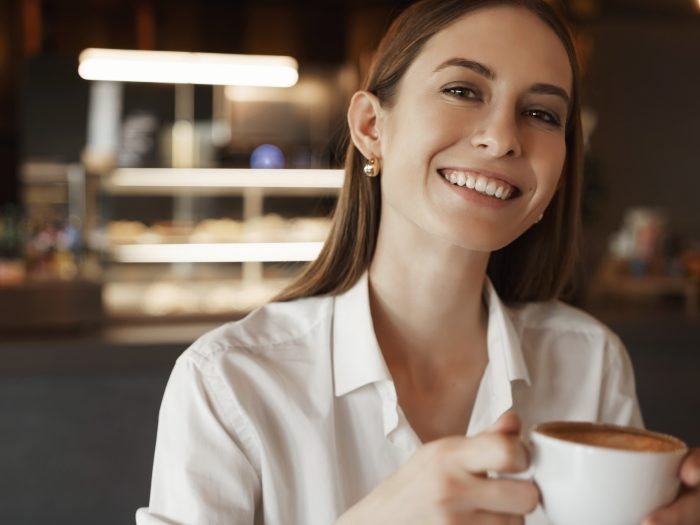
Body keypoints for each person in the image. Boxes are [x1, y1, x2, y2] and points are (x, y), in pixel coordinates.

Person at [136, 1, 700, 523]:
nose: (503, 138)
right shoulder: (229, 381)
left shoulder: (590, 361)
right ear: (370, 127)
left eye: (541, 113)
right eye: (462, 89)